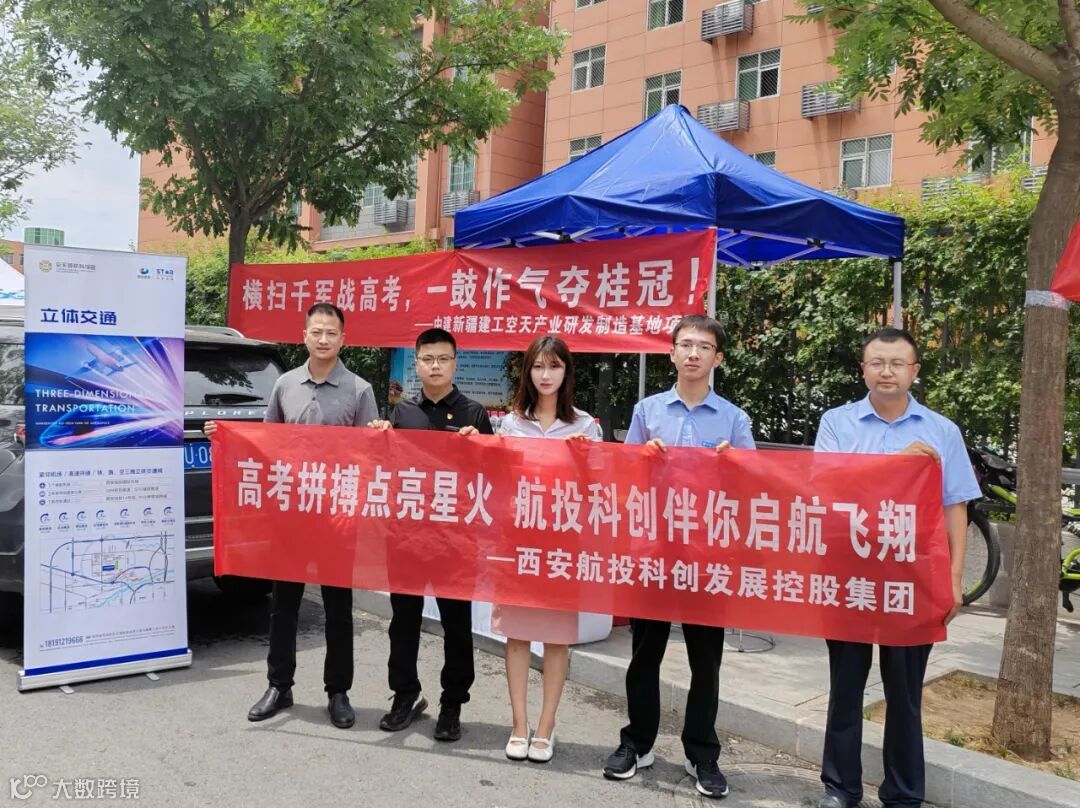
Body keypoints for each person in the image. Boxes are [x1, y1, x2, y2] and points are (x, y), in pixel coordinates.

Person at [811, 327, 978, 808]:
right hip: (849, 573)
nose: (887, 371)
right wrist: (897, 465)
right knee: (845, 686)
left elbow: (955, 507)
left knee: (904, 694)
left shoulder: (942, 431)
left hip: (914, 579)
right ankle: (840, 787)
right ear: (863, 369)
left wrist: (953, 581)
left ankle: (904, 795)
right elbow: (827, 488)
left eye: (897, 363)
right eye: (877, 362)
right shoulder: (837, 423)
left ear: (914, 371)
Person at [204, 302, 378, 729]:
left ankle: (338, 691)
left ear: (343, 339)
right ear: (304, 336)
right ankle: (279, 685)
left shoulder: (359, 390)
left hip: (336, 517)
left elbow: (369, 459)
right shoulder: (284, 385)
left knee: (338, 609)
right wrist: (227, 437)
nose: (323, 339)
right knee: (284, 606)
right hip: (291, 515)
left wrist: (354, 507)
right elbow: (267, 444)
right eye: (316, 331)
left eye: (331, 333)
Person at [602, 313, 755, 799]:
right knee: (644, 654)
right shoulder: (648, 411)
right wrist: (641, 459)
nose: (693, 353)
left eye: (703, 347)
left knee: (705, 660)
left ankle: (701, 753)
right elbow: (625, 475)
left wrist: (735, 465)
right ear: (671, 353)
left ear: (717, 358)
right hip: (654, 550)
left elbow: (755, 485)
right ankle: (637, 742)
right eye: (685, 345)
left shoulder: (734, 419)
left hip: (708, 556)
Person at [367, 328, 493, 742]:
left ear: (455, 363)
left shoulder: (475, 414)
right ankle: (406, 694)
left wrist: (481, 446)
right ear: (417, 364)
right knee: (403, 621)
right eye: (427, 359)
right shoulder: (401, 413)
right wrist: (378, 437)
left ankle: (452, 703)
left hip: (455, 540)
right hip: (406, 535)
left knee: (457, 625)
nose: (435, 366)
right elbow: (384, 469)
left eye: (443, 359)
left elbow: (494, 476)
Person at [492, 335, 601, 764]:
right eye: (538, 366)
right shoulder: (510, 424)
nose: (545, 375)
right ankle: (519, 724)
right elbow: (497, 481)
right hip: (518, 542)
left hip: (561, 546)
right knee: (517, 635)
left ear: (567, 372)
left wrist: (585, 461)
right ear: (527, 373)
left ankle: (546, 726)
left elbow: (599, 489)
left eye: (554, 366)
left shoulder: (585, 426)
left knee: (557, 640)